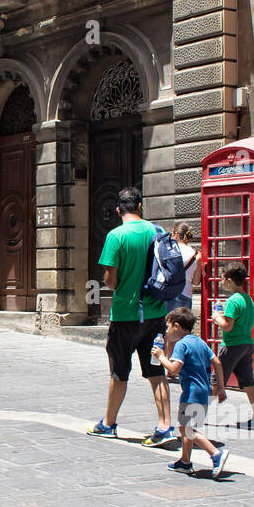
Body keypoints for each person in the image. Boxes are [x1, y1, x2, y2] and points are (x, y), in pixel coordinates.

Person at [86, 187, 174, 444]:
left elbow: (111, 281)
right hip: (156, 313)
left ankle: (108, 423)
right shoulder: (156, 231)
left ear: (118, 210)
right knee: (156, 371)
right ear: (140, 207)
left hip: (125, 314)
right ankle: (164, 426)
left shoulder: (116, 236)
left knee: (119, 372)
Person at [152, 307, 229, 476]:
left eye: (168, 327)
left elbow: (174, 369)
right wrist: (221, 387)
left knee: (187, 430)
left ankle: (215, 453)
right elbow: (217, 362)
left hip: (191, 392)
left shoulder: (181, 344)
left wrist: (161, 356)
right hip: (204, 391)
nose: (167, 331)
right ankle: (185, 462)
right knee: (187, 427)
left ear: (177, 326)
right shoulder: (199, 341)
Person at [212, 263, 254, 428]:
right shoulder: (247, 299)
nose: (221, 281)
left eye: (222, 278)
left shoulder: (232, 301)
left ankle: (195, 413)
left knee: (215, 380)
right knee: (249, 383)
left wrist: (216, 317)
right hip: (247, 343)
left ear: (228, 280)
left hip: (232, 345)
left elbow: (227, 326)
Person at [173, 223, 202, 311]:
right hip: (186, 296)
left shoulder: (169, 250)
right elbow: (196, 282)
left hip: (169, 295)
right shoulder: (197, 255)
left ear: (176, 234)